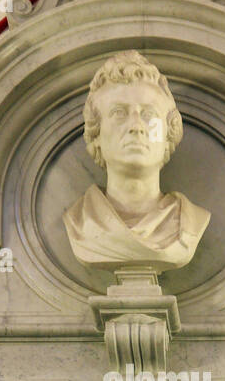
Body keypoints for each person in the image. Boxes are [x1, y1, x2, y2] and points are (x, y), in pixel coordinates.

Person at [63, 50, 210, 270]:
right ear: (97, 132)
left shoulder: (190, 223)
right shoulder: (80, 222)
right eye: (119, 113)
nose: (136, 126)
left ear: (168, 133)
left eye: (148, 114)